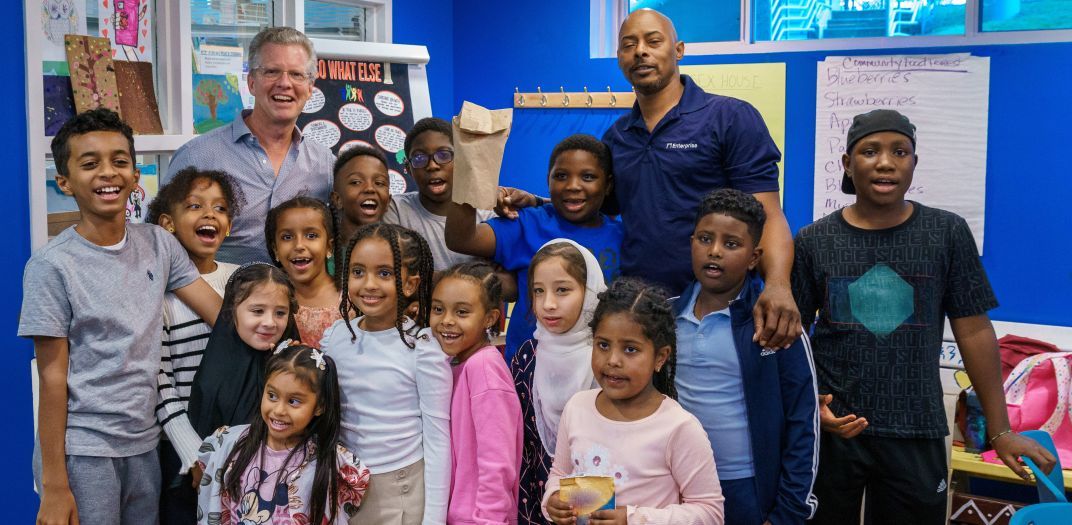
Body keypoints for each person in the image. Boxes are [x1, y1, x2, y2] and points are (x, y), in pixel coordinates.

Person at [792, 109, 1056, 525]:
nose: (885, 162)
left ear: (914, 162)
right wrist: (810, 409)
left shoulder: (945, 233)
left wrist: (1001, 431)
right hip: (834, 432)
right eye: (869, 151)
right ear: (847, 163)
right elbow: (794, 339)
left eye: (900, 151)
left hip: (916, 429)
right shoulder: (813, 240)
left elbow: (974, 331)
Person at [18, 108, 222, 524]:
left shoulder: (159, 245)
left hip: (145, 445)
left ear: (134, 176)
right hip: (84, 452)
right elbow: (52, 379)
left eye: (120, 161)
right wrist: (55, 484)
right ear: (64, 181)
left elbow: (220, 315)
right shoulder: (52, 266)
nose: (107, 173)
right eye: (90, 164)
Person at [603, 8, 799, 349]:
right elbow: (592, 211)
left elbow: (767, 214)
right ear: (620, 58)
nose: (640, 51)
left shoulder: (730, 118)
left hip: (720, 312)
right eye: (628, 44)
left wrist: (778, 284)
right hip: (642, 314)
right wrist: (532, 204)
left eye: (653, 41)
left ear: (678, 50)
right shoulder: (616, 137)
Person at [675, 189, 818, 525]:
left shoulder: (775, 324)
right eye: (705, 239)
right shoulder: (664, 318)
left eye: (731, 244)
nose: (714, 251)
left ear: (754, 258)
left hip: (747, 490)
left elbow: (804, 421)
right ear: (691, 241)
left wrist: (787, 512)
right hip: (677, 486)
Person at [543, 278, 724, 524]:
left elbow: (710, 513)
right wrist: (553, 500)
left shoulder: (679, 427)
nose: (613, 360)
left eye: (630, 349)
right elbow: (560, 474)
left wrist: (634, 519)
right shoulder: (577, 407)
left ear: (660, 357)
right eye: (603, 345)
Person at [446, 134, 622, 362]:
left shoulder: (620, 237)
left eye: (587, 177)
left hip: (593, 366)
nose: (573, 186)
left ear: (607, 185)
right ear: (547, 180)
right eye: (561, 176)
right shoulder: (528, 223)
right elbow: (462, 238)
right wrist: (468, 171)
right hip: (528, 366)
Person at [167, 26, 334, 264]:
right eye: (272, 72)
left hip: (297, 300)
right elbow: (162, 245)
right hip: (216, 298)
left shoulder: (324, 164)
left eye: (296, 75)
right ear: (252, 83)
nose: (284, 83)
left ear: (310, 88)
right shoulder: (197, 156)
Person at [321, 223, 451, 525]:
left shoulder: (424, 347)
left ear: (409, 284)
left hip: (401, 488)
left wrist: (434, 519)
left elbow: (438, 438)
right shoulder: (336, 336)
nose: (368, 284)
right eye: (357, 272)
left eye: (384, 273)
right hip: (343, 482)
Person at [147, 167, 242, 524]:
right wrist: (194, 455)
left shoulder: (240, 279)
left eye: (219, 209)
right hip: (183, 450)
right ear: (168, 224)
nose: (209, 215)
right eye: (195, 206)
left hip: (240, 443)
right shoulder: (160, 295)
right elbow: (161, 384)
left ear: (229, 225)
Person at [195, 343, 371, 524]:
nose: (279, 410)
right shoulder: (230, 443)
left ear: (319, 406)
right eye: (272, 395)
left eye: (293, 401)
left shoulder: (327, 460)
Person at [511, 240, 605, 524]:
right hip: (537, 491)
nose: (548, 304)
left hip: (600, 493)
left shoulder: (605, 356)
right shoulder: (528, 355)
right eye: (539, 291)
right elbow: (524, 439)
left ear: (590, 293)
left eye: (562, 290)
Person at [430, 261, 523, 523]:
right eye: (438, 309)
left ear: (490, 318)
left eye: (461, 312)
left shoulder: (484, 367)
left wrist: (489, 519)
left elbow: (497, 461)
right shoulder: (453, 363)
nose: (446, 321)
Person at [187, 263, 300, 462]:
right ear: (232, 312)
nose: (270, 322)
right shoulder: (213, 380)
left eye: (280, 313)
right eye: (257, 311)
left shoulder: (297, 369)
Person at [385, 117, 497, 272]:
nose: (432, 165)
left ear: (460, 161)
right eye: (419, 158)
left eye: (444, 155)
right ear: (408, 168)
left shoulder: (487, 218)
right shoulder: (396, 210)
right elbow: (396, 274)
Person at [266, 196, 342, 347]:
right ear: (275, 249)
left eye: (311, 236)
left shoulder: (352, 298)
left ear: (329, 246)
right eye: (287, 237)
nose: (299, 245)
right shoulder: (267, 300)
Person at [330, 145, 392, 268]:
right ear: (337, 200)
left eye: (379, 183)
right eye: (356, 182)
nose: (369, 188)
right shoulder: (321, 257)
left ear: (388, 202)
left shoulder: (400, 254)